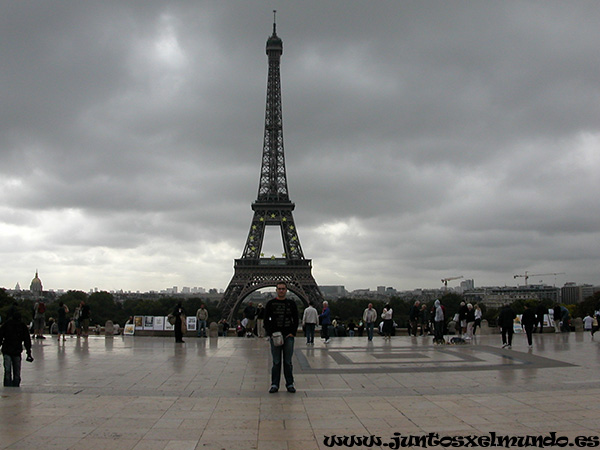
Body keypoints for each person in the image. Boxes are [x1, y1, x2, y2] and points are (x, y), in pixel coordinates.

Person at [264, 282, 299, 394]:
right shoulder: (270, 304)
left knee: (287, 362)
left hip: (288, 336)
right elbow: (265, 320)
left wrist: (292, 333)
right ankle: (275, 384)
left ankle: (289, 384)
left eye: (283, 289)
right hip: (275, 336)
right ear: (276, 290)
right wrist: (271, 333)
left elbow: (296, 319)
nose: (281, 290)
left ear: (286, 290)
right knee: (276, 362)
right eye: (279, 289)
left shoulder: (291, 304)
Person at [0, 310, 33, 387]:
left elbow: (0, 336)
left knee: (7, 370)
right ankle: (16, 384)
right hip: (17, 350)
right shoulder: (22, 326)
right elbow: (27, 340)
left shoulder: (7, 325)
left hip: (7, 349)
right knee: (17, 370)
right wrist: (28, 352)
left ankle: (7, 384)